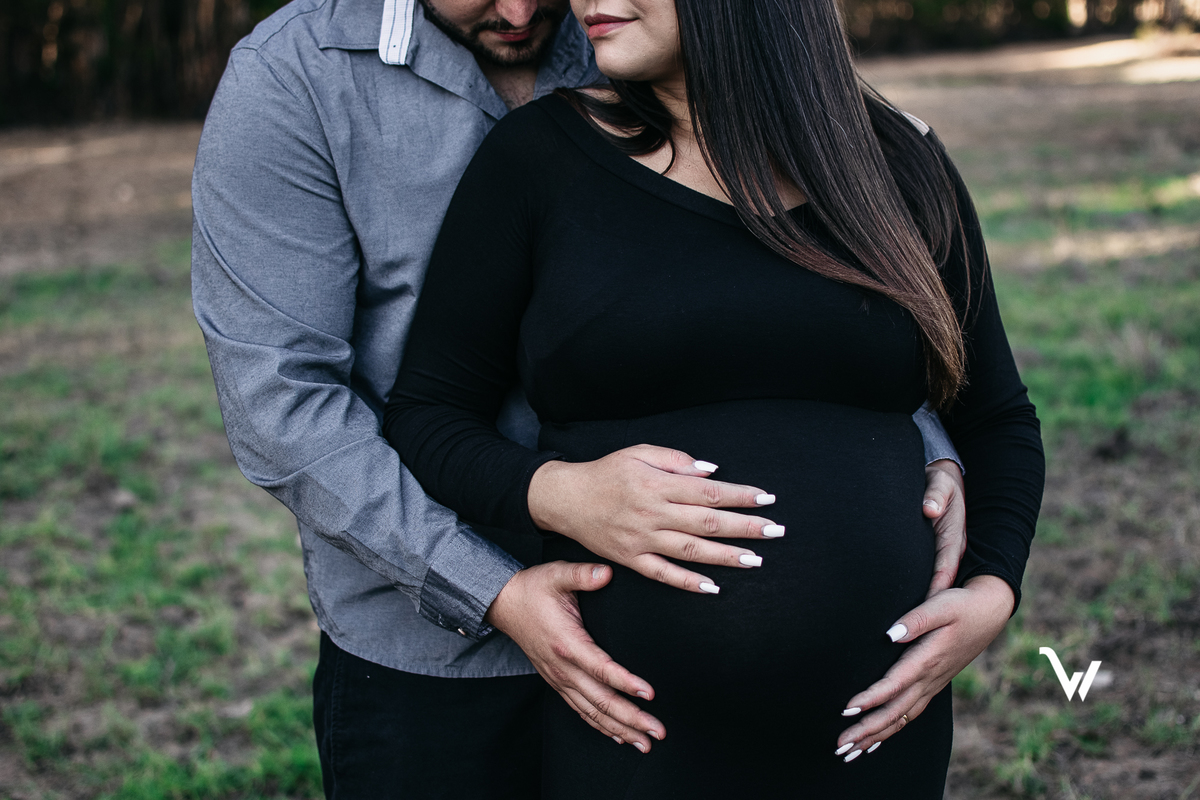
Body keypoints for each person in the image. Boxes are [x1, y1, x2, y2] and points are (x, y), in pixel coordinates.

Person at [191, 0, 972, 795]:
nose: (525, 8)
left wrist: (926, 453)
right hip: (438, 648)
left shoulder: (636, 37)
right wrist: (493, 586)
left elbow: (790, 301)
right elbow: (281, 405)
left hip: (690, 686)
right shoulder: (296, 76)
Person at [381, 0, 1045, 796]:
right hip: (637, 737)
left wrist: (995, 588)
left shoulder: (897, 162)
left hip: (871, 740)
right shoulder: (538, 159)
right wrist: (559, 493)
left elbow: (997, 415)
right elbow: (427, 414)